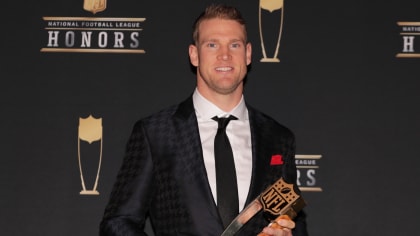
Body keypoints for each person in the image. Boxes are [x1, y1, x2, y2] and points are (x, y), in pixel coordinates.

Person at [100, 4, 308, 236]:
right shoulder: (156, 134)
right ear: (194, 54)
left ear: (248, 54)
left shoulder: (277, 138)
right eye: (212, 44)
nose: (225, 55)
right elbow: (118, 223)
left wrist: (288, 233)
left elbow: (291, 219)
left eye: (234, 45)